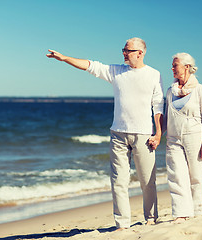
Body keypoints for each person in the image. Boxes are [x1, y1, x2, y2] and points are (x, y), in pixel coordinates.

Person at [46, 37, 164, 229]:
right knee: (118, 181)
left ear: (140, 53)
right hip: (118, 134)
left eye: (128, 50)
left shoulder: (153, 74)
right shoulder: (116, 71)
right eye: (123, 49)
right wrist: (64, 58)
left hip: (143, 134)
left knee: (147, 181)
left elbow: (158, 107)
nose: (124, 53)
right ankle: (122, 224)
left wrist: (158, 134)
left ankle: (151, 218)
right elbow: (90, 66)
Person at [164, 52, 202, 223]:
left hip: (195, 137)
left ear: (186, 67)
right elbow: (167, 117)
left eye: (175, 65)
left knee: (196, 175)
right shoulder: (170, 91)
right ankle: (181, 213)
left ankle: (198, 210)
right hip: (173, 139)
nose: (172, 68)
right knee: (176, 175)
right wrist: (157, 135)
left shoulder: (200, 90)